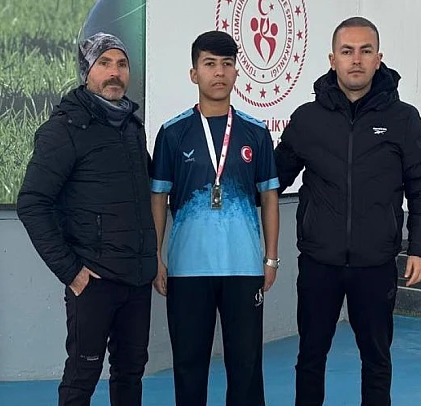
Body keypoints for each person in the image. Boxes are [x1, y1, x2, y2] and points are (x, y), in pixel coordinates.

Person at [274, 17, 421, 406]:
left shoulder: (403, 119)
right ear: (332, 59)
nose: (356, 59)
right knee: (310, 357)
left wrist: (420, 248)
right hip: (319, 262)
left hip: (375, 264)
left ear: (378, 59)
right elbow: (272, 180)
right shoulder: (307, 119)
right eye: (347, 51)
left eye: (366, 51)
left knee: (377, 359)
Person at [16, 32, 157, 406]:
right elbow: (32, 203)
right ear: (86, 71)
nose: (114, 72)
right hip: (94, 282)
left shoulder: (132, 127)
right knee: (82, 378)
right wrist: (72, 272)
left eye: (122, 64)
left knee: (130, 374)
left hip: (137, 279)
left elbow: (146, 193)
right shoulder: (63, 130)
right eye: (104, 63)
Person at [149, 30, 280, 406]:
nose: (219, 72)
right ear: (194, 74)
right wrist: (156, 257)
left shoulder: (256, 133)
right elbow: (158, 199)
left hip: (244, 267)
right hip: (187, 269)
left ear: (237, 72)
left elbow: (269, 198)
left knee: (246, 367)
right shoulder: (172, 133)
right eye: (209, 64)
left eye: (227, 64)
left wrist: (270, 258)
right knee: (189, 367)